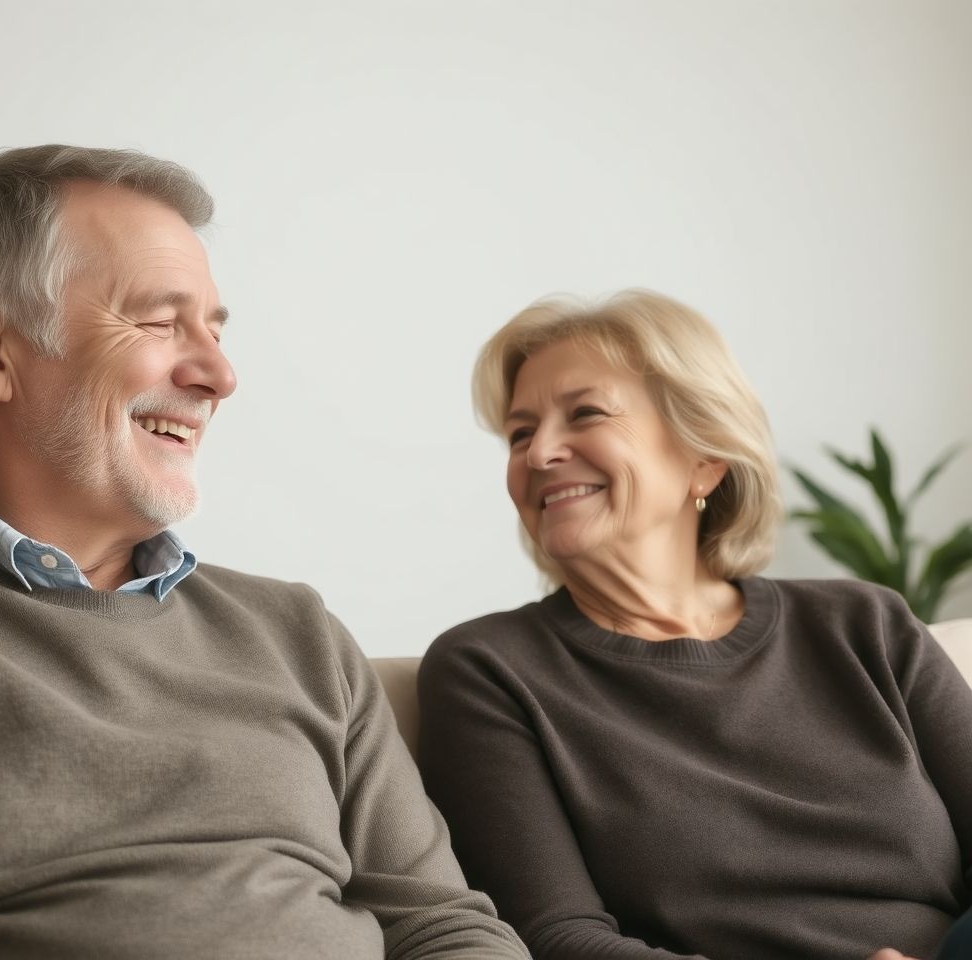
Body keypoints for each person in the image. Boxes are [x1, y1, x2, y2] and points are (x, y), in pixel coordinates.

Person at [0, 145, 528, 960]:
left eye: (214, 331)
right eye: (160, 322)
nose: (220, 375)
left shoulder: (298, 632)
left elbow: (447, 929)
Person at [416, 290, 971, 960]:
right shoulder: (489, 669)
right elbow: (559, 938)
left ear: (704, 459)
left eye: (585, 413)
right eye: (521, 433)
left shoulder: (867, 625)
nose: (539, 454)